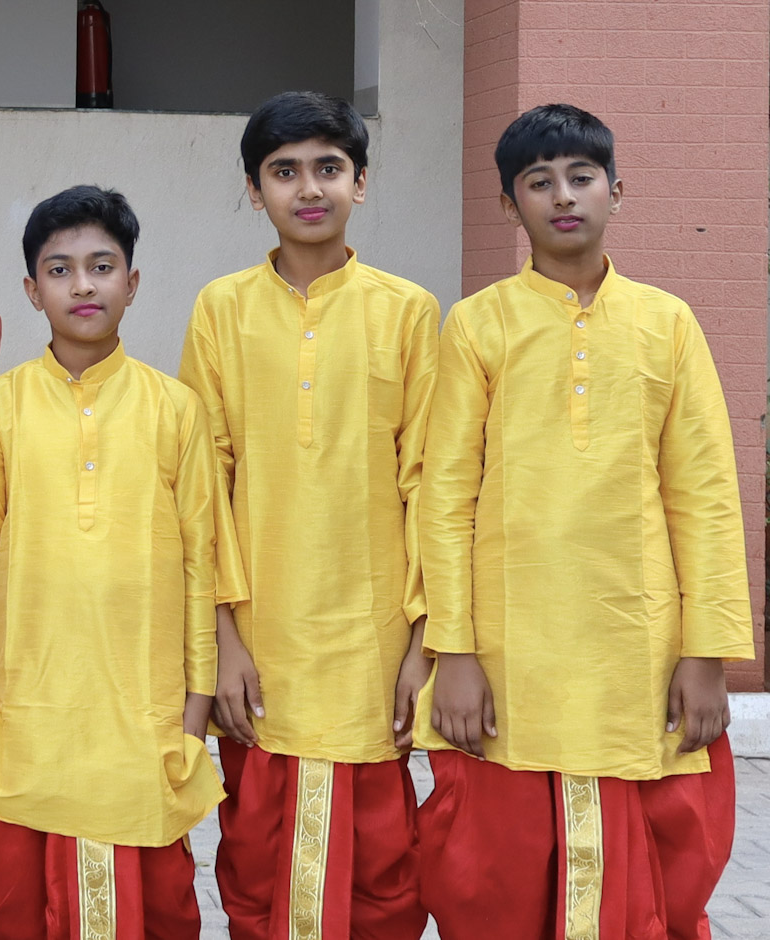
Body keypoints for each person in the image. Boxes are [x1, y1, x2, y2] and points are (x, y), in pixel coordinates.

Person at [416, 103, 751, 939]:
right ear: (510, 205)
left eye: (581, 177)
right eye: (539, 182)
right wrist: (454, 652)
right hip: (510, 655)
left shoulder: (667, 323)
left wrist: (706, 653)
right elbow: (446, 498)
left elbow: (705, 497)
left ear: (616, 191)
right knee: (494, 879)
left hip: (637, 651)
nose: (563, 197)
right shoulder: (478, 324)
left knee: (663, 868)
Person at [0, 185, 232, 940]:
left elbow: (201, 564)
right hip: (23, 708)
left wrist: (195, 706)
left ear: (133, 282)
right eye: (60, 270)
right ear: (32, 290)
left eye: (101, 266)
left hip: (143, 708)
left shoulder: (175, 409)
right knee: (14, 900)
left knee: (156, 903)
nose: (83, 285)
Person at [176, 91, 437, 939]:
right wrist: (221, 638)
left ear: (361, 182)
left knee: (383, 868)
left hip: (372, 641)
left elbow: (429, 486)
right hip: (260, 639)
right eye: (283, 171)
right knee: (256, 854)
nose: (309, 188)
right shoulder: (222, 309)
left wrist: (423, 644)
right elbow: (201, 484)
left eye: (329, 167)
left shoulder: (408, 311)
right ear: (255, 192)